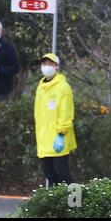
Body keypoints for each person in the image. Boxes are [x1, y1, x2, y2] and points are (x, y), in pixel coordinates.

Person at [34, 53, 77, 188]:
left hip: (59, 139)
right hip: (43, 140)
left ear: (57, 67)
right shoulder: (40, 87)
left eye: (50, 64)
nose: (46, 67)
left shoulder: (63, 87)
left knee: (63, 176)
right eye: (44, 64)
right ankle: (56, 206)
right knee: (50, 176)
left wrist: (61, 133)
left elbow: (66, 113)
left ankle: (76, 205)